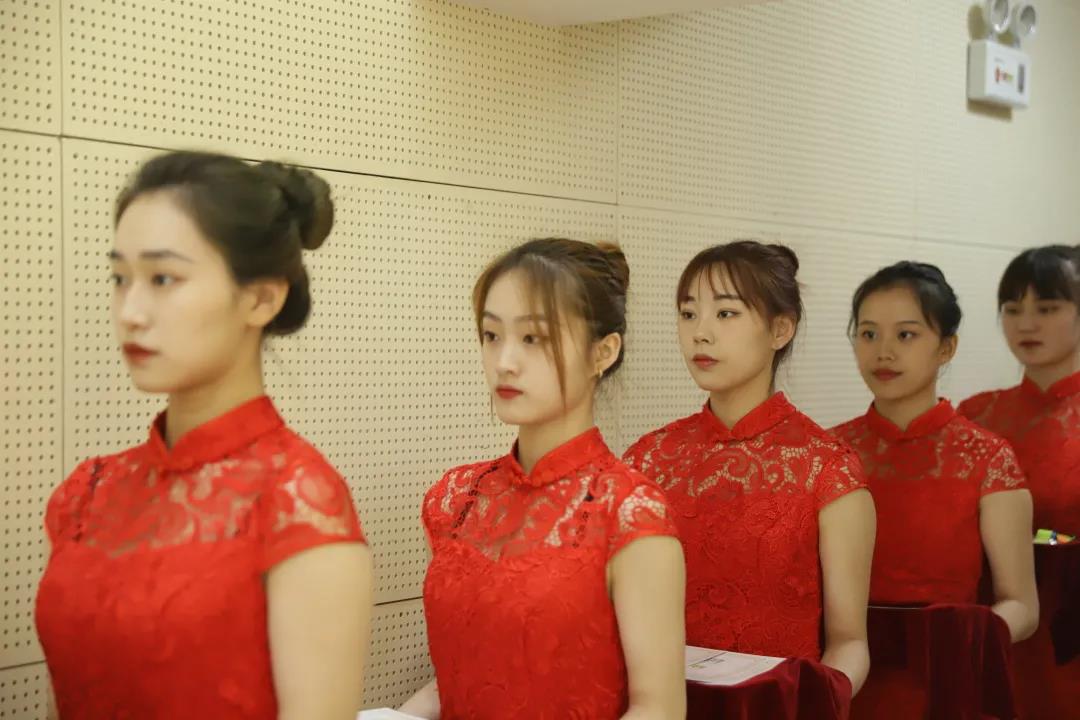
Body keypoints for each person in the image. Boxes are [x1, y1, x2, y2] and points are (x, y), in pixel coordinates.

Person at [35, 152, 373, 720]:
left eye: (163, 279)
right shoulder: (86, 493)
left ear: (262, 298)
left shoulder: (298, 502)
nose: (130, 312)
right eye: (120, 279)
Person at [401, 238, 686, 720]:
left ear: (603, 352)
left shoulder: (630, 512)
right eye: (492, 335)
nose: (504, 361)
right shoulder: (456, 499)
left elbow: (658, 710)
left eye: (533, 338)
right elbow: (459, 675)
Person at [623, 240, 875, 698]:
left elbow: (849, 641)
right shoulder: (647, 460)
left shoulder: (828, 469)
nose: (700, 333)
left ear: (780, 329)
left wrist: (819, 700)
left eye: (726, 313)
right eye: (688, 314)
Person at [958, 245, 1080, 720]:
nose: (1026, 324)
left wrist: (1043, 540)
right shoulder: (977, 415)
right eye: (1012, 309)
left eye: (1046, 309)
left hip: (1068, 620)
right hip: (994, 620)